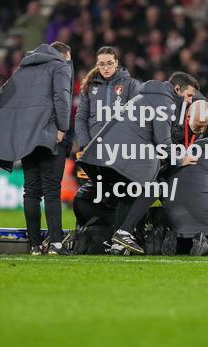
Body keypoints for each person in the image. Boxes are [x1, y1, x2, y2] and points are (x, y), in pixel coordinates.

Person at [77, 80, 194, 255]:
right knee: (155, 187)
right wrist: (179, 159)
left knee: (128, 193)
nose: (190, 101)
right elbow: (162, 142)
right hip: (120, 157)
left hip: (102, 157)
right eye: (189, 95)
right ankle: (124, 233)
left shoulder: (142, 97)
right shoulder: (164, 102)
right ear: (177, 89)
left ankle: (116, 241)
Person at [0, 42, 73, 255]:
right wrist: (62, 127)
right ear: (62, 56)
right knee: (52, 190)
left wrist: (22, 118)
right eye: (68, 59)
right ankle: (55, 244)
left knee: (31, 191)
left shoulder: (23, 69)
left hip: (26, 138)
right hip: (49, 136)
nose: (69, 63)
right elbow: (62, 97)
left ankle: (33, 245)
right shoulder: (59, 66)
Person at [73, 46, 140, 229]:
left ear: (116, 63)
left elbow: (137, 117)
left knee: (121, 191)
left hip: (120, 151)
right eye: (101, 64)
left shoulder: (131, 85)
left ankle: (123, 231)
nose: (106, 67)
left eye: (109, 63)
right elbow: (81, 118)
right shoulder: (89, 86)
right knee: (92, 191)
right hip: (95, 151)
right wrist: (86, 145)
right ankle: (86, 229)